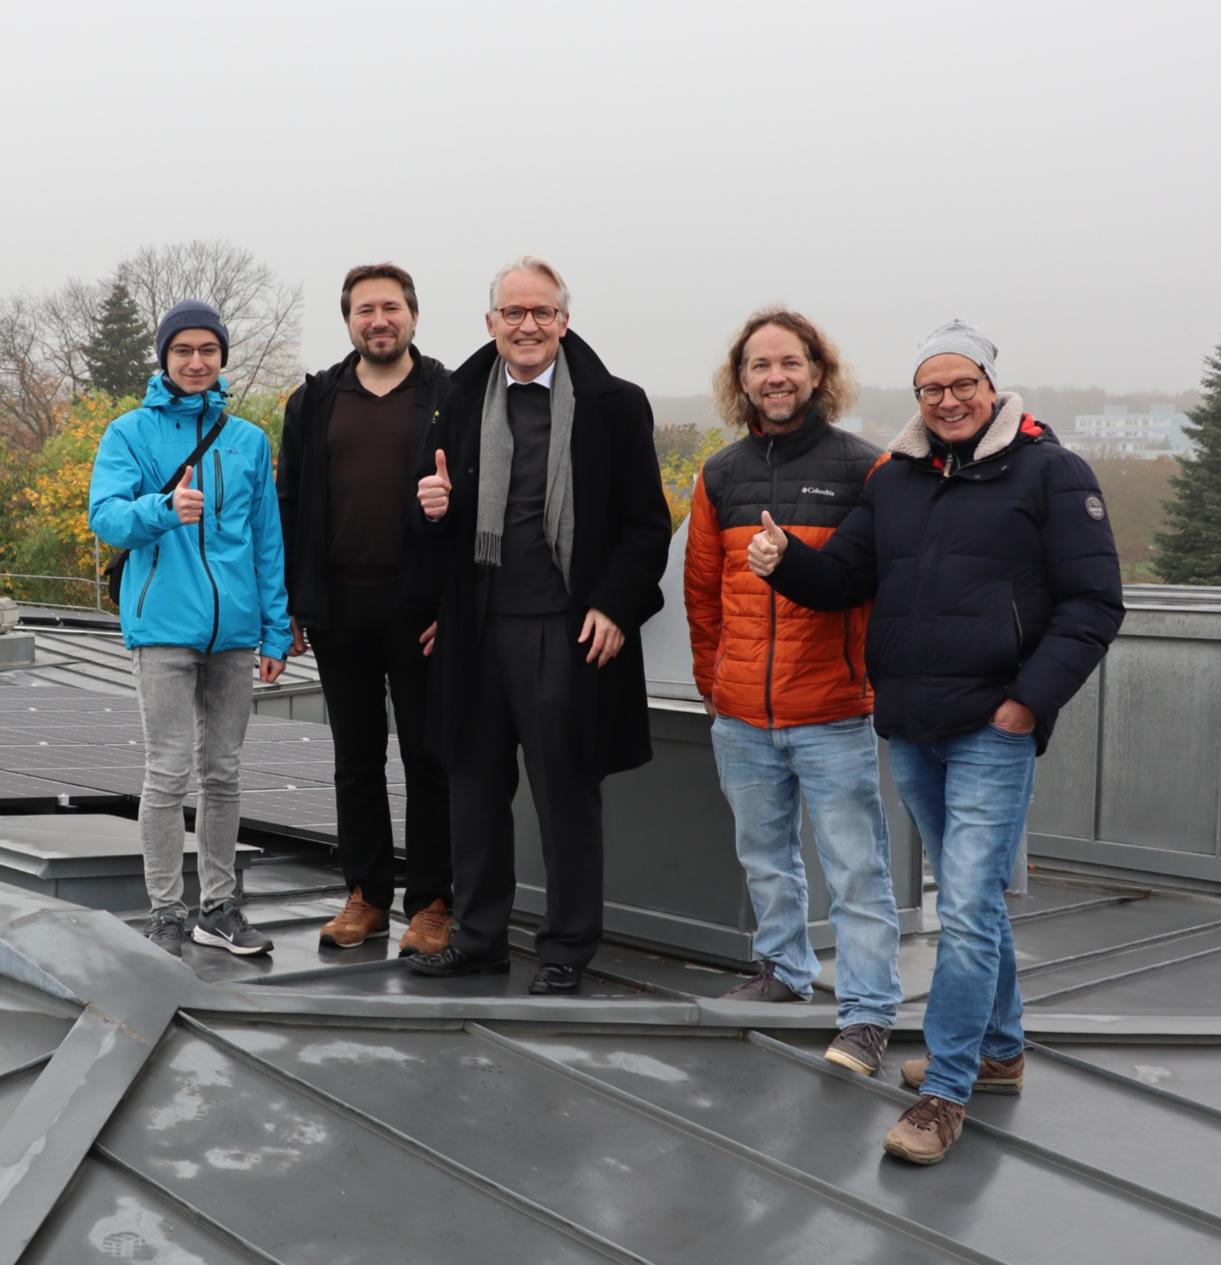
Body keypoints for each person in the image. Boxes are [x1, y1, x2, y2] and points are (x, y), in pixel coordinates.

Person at [751, 318, 1123, 1164]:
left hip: (994, 725)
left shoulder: (1052, 474)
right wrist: (786, 562)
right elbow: (847, 576)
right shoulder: (898, 478)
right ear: (916, 397)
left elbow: (1095, 603)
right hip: (914, 726)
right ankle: (999, 1051)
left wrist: (1028, 703)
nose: (948, 401)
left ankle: (946, 1090)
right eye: (931, 388)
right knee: (977, 905)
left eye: (963, 385)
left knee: (962, 907)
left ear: (992, 387)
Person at [406, 257, 673, 995]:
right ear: (490, 322)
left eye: (542, 313)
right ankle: (480, 937)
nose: (527, 326)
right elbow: (434, 523)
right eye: (512, 313)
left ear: (564, 320)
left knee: (564, 795)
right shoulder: (457, 400)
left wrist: (617, 605)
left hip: (566, 628)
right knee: (474, 793)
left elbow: (647, 526)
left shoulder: (613, 404)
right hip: (479, 630)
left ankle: (565, 947)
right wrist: (433, 514)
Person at [684, 307, 904, 1076]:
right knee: (765, 858)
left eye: (789, 363)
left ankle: (870, 1013)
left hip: (833, 712)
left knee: (857, 870)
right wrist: (716, 684)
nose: (774, 377)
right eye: (759, 366)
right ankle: (782, 969)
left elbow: (872, 586)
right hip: (741, 715)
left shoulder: (864, 468)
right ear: (741, 381)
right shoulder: (719, 474)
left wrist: (865, 683)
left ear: (817, 372)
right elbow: (703, 594)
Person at [88, 299, 292, 960]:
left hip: (233, 632)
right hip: (163, 629)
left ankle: (218, 907)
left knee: (224, 772)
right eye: (184, 351)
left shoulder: (249, 441)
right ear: (165, 358)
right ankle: (166, 911)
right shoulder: (129, 434)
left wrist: (276, 630)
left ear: (222, 357)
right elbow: (107, 518)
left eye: (208, 350)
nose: (197, 361)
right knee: (168, 772)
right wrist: (163, 508)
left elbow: (267, 542)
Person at [279, 264, 456, 956]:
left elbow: (473, 501)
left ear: (413, 314)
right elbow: (292, 502)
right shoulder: (317, 399)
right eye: (364, 310)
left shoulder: (449, 393)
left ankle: (435, 900)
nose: (378, 320)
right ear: (348, 320)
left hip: (421, 607)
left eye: (390, 307)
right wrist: (293, 600)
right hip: (338, 604)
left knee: (428, 756)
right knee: (355, 756)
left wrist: (455, 603)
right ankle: (366, 895)